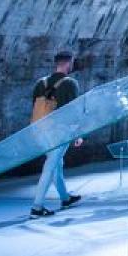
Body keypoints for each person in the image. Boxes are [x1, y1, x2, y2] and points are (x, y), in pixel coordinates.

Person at [29, 51, 83, 218]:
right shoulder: (70, 83)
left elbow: (34, 107)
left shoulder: (40, 82)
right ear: (68, 63)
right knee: (51, 166)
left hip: (39, 130)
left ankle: (65, 198)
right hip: (59, 132)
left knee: (56, 163)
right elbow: (73, 111)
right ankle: (37, 207)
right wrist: (78, 134)